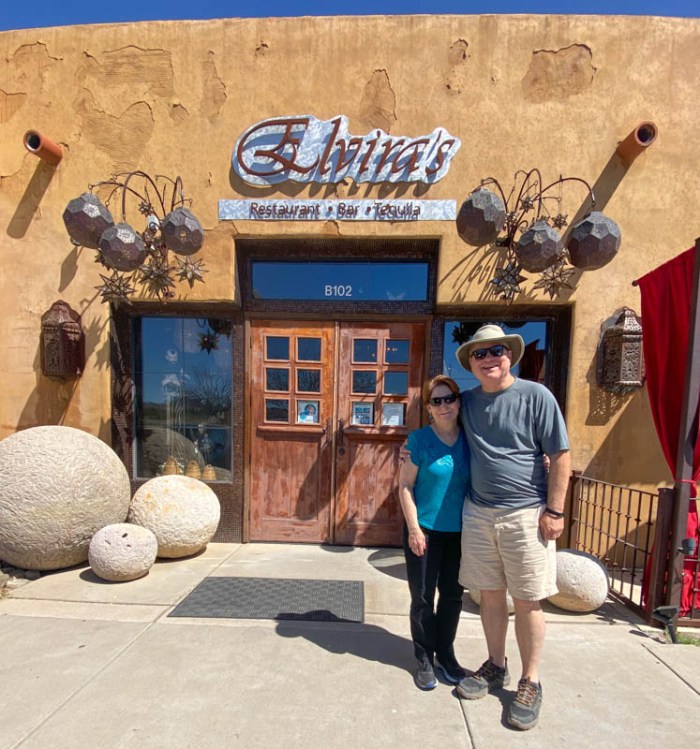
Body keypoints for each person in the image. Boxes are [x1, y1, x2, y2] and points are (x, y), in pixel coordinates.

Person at [454, 324, 570, 731]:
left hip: (526, 514)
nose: (488, 359)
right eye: (479, 353)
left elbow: (560, 454)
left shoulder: (537, 396)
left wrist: (555, 510)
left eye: (496, 351)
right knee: (489, 595)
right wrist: (408, 450)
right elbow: (439, 427)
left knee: (527, 599)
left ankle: (530, 680)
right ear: (471, 362)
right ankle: (495, 665)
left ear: (510, 356)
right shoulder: (466, 402)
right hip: (479, 513)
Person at [398, 375, 470, 691]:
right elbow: (405, 486)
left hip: (461, 533)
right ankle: (424, 657)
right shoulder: (417, 441)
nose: (444, 406)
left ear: (458, 401)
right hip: (424, 530)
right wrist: (414, 529)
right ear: (428, 407)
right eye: (436, 401)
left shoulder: (471, 439)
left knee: (453, 596)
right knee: (423, 597)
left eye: (449, 398)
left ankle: (446, 654)